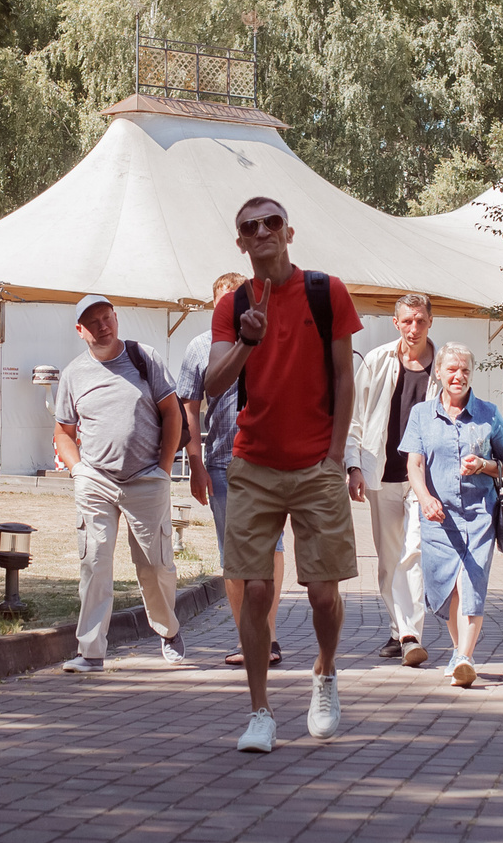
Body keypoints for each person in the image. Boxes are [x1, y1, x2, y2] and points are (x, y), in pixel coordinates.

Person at [200, 195, 360, 753]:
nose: (262, 230)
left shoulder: (326, 291)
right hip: (253, 462)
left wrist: (337, 455)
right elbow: (214, 385)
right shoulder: (232, 305)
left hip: (317, 463)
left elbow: (344, 377)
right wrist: (247, 339)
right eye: (250, 226)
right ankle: (260, 712)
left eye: (271, 222)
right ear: (241, 242)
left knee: (321, 593)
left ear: (289, 232)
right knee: (256, 587)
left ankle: (324, 671)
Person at [52, 294, 187, 673]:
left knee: (154, 566)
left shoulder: (144, 357)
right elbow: (64, 431)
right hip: (95, 480)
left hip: (147, 478)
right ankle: (90, 652)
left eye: (107, 317)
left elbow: (172, 413)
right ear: (80, 331)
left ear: (116, 319)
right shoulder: (74, 374)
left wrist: (163, 467)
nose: (103, 326)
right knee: (94, 562)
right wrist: (78, 470)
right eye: (93, 322)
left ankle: (168, 630)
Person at [175, 272, 279, 670]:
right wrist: (195, 465)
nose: (230, 306)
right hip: (223, 460)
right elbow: (189, 409)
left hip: (271, 460)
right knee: (234, 556)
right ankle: (248, 638)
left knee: (271, 550)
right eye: (223, 300)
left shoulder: (269, 339)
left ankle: (269, 639)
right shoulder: (200, 347)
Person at [400, 343, 503, 688]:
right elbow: (414, 463)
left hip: (480, 514)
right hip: (438, 517)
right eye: (451, 369)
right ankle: (457, 650)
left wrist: (484, 465)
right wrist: (424, 498)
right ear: (438, 373)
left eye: (465, 370)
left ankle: (466, 656)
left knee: (472, 583)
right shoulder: (422, 414)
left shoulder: (488, 413)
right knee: (448, 587)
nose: (458, 376)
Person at [348, 292, 435, 666]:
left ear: (430, 322)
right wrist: (353, 466)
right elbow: (355, 416)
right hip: (381, 473)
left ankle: (411, 635)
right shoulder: (376, 360)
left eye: (421, 321)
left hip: (424, 479)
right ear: (396, 323)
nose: (414, 328)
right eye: (407, 321)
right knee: (388, 559)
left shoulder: (445, 364)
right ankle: (398, 629)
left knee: (413, 553)